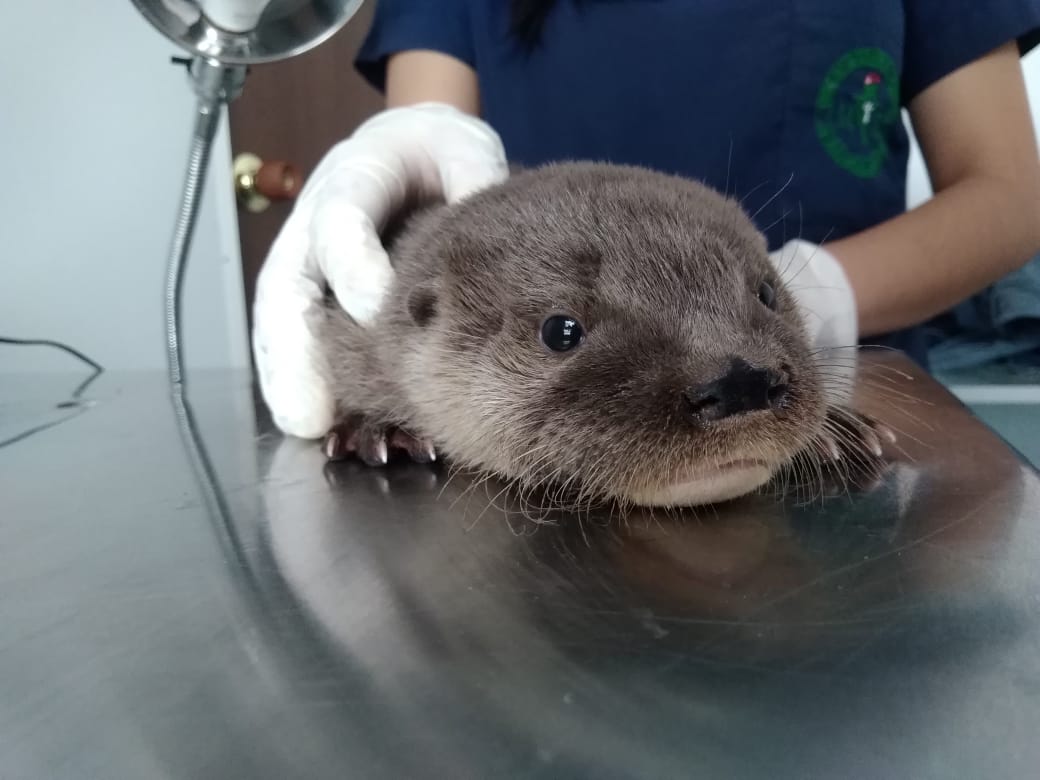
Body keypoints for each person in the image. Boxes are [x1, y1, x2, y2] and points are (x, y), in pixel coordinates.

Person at [252, 0, 1040, 439]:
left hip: (842, 398)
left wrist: (809, 297)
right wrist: (395, 159)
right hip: (551, 419)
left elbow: (1009, 193)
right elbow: (436, 194)